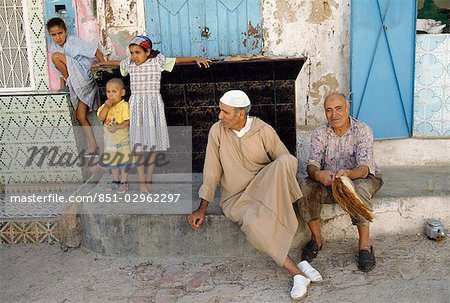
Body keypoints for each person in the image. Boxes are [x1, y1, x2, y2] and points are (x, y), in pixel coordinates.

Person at [187, 90, 323, 300]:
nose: (219, 116)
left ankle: (301, 264)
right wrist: (202, 208)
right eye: (220, 111)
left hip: (263, 185)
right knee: (254, 224)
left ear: (240, 114)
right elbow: (211, 170)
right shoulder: (217, 131)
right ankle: (297, 272)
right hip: (237, 197)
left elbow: (285, 160)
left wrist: (282, 189)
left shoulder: (263, 130)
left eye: (224, 112)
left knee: (287, 161)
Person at [97, 36, 211, 193]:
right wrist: (103, 63)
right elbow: (118, 64)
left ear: (147, 51)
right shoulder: (130, 64)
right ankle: (142, 181)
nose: (134, 56)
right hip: (136, 108)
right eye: (131, 53)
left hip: (153, 107)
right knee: (138, 148)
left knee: (150, 146)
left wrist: (195, 59)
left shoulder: (158, 61)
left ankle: (148, 180)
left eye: (137, 52)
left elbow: (177, 61)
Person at [298, 92, 383, 272]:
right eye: (329, 110)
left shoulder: (363, 130)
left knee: (358, 189)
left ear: (347, 108)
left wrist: (349, 175)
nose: (334, 114)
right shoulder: (320, 133)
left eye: (338, 108)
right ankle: (316, 239)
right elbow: (312, 164)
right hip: (330, 181)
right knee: (305, 186)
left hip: (360, 176)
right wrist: (318, 174)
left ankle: (365, 246)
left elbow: (365, 167)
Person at [46, 17, 105, 155]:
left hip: (84, 77)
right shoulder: (54, 47)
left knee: (56, 57)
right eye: (54, 35)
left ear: (66, 31)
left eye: (60, 33)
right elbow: (60, 71)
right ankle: (93, 145)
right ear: (50, 35)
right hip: (74, 81)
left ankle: (70, 81)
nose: (58, 37)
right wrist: (63, 87)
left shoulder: (74, 42)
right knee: (80, 115)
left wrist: (103, 66)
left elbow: (95, 51)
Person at [97, 78, 134, 194]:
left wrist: (117, 127)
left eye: (114, 91)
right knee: (113, 164)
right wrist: (107, 107)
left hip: (123, 142)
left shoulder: (124, 106)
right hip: (110, 142)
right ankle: (115, 181)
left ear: (122, 93)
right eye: (108, 92)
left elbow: (128, 121)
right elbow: (101, 118)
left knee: (123, 164)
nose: (110, 94)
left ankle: (124, 182)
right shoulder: (105, 106)